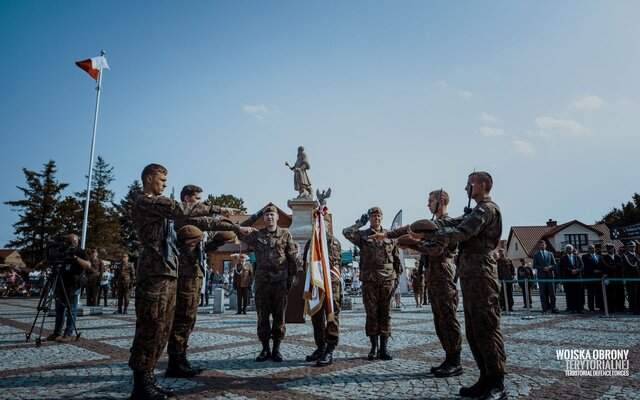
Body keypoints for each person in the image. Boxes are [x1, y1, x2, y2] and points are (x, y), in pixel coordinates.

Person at [128, 163, 238, 400]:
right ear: (149, 178)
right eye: (161, 180)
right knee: (151, 326)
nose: (164, 185)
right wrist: (217, 208)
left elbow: (203, 223)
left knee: (163, 326)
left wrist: (235, 226)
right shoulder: (144, 202)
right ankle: (141, 384)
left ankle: (150, 377)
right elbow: (179, 209)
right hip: (154, 272)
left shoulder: (159, 207)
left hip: (168, 270)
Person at [419, 172, 507, 399]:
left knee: (487, 328)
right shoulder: (475, 211)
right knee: (474, 330)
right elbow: (455, 222)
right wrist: (426, 227)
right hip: (470, 276)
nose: (467, 186)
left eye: (471, 183)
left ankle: (497, 383)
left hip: (482, 275)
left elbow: (462, 231)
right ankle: (484, 378)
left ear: (484, 185)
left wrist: (432, 232)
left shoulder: (486, 209)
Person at [373, 190, 463, 378]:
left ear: (441, 201)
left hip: (443, 274)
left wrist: (409, 243)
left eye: (431, 201)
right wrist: (388, 235)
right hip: (433, 275)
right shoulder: (432, 224)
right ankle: (449, 357)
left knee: (448, 318)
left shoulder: (446, 224)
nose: (428, 204)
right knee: (439, 319)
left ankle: (455, 360)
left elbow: (435, 249)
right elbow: (410, 228)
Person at [166, 184, 249, 378]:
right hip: (184, 277)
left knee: (188, 320)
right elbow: (213, 223)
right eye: (197, 200)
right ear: (187, 199)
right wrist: (237, 227)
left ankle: (181, 358)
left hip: (194, 276)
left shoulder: (193, 222)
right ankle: (174, 362)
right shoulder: (184, 218)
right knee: (182, 320)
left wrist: (218, 242)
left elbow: (202, 250)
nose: (200, 204)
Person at [236, 205, 298, 363]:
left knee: (279, 316)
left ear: (277, 217)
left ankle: (276, 349)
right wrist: (254, 215)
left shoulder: (285, 234)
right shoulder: (257, 235)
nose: (269, 217)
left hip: (280, 281)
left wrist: (290, 279)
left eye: (272, 215)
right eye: (267, 215)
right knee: (262, 316)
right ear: (264, 218)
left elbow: (291, 258)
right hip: (262, 281)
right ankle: (265, 349)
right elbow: (238, 230)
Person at [343, 207, 402, 361]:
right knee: (371, 313)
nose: (376, 218)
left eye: (378, 215)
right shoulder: (363, 235)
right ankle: (373, 347)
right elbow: (346, 232)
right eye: (373, 216)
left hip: (387, 279)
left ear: (382, 217)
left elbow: (396, 260)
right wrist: (359, 224)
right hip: (369, 280)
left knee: (386, 314)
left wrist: (396, 279)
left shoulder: (389, 236)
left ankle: (384, 347)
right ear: (369, 218)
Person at [302, 223, 342, 367]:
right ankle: (321, 347)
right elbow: (305, 263)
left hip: (331, 285)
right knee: (316, 317)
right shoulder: (310, 243)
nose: (318, 227)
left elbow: (333, 263)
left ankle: (330, 349)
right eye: (316, 224)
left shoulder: (333, 241)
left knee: (331, 316)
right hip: (316, 285)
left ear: (327, 226)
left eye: (322, 224)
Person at [43, 234, 91, 343]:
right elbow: (52, 259)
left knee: (71, 310)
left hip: (73, 285)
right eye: (68, 241)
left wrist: (76, 258)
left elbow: (88, 265)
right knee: (59, 310)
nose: (69, 244)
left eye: (72, 242)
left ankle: (68, 334)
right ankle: (56, 333)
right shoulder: (62, 250)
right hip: (60, 283)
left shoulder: (81, 252)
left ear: (77, 242)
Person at [532, 240, 558, 313]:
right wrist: (543, 268)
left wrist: (549, 267)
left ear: (545, 245)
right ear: (538, 246)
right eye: (540, 245)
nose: (541, 246)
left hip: (550, 275)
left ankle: (553, 308)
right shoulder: (536, 254)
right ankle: (544, 309)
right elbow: (535, 265)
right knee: (542, 293)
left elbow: (554, 264)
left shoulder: (550, 254)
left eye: (543, 245)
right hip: (541, 276)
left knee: (552, 293)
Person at [557, 244, 585, 313]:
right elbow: (562, 267)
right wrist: (571, 271)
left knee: (578, 293)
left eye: (570, 249)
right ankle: (571, 308)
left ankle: (579, 308)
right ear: (565, 250)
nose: (569, 250)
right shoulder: (563, 258)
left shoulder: (577, 257)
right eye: (567, 249)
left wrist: (577, 270)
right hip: (568, 277)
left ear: (572, 249)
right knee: (570, 293)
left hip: (577, 277)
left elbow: (582, 266)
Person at [600, 243, 623, 313]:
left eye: (611, 248)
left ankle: (620, 307)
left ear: (613, 248)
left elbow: (621, 268)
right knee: (610, 294)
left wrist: (622, 278)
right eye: (608, 248)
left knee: (619, 293)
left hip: (618, 278)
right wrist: (605, 278)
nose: (609, 249)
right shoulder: (604, 258)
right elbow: (603, 268)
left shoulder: (618, 257)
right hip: (609, 278)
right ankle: (611, 308)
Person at [582, 244, 604, 311]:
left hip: (599, 278)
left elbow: (601, 265)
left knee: (599, 293)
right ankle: (591, 307)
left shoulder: (599, 256)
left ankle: (600, 306)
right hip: (590, 277)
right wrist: (593, 271)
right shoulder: (585, 256)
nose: (591, 249)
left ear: (594, 249)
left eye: (592, 248)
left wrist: (601, 271)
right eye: (589, 248)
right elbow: (586, 266)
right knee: (591, 293)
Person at [622, 241, 639, 314]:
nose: (633, 248)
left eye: (634, 246)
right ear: (628, 247)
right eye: (631, 246)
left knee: (638, 294)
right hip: (631, 279)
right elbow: (624, 269)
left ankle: (638, 307)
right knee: (632, 294)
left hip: (638, 279)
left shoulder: (638, 256)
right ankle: (633, 308)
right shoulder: (625, 256)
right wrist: (628, 278)